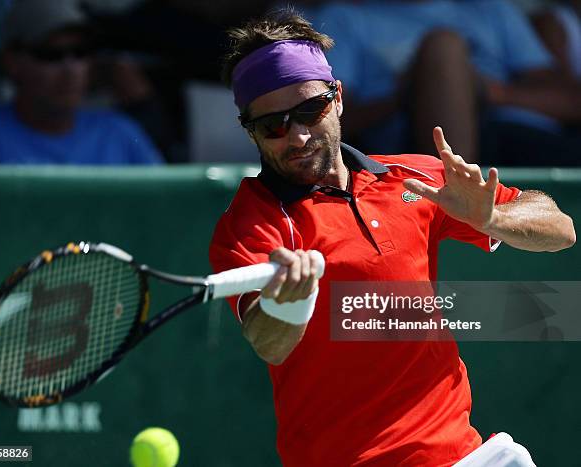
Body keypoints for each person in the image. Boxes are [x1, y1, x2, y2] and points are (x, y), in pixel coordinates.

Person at [209, 9, 576, 467]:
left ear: (337, 98)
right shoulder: (250, 225)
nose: (298, 135)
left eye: (310, 110)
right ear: (251, 131)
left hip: (467, 455)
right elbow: (269, 342)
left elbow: (561, 230)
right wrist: (290, 301)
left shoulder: (412, 176)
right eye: (273, 125)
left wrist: (491, 218)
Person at [299, 0, 581, 165]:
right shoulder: (346, 17)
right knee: (443, 47)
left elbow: (569, 101)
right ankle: (454, 204)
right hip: (412, 145)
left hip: (526, 138)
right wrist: (413, 91)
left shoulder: (491, 8)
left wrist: (488, 91)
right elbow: (323, 118)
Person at [0, 0, 162, 165]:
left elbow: (166, 204)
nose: (71, 69)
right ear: (11, 61)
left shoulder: (121, 134)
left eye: (81, 52)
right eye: (51, 54)